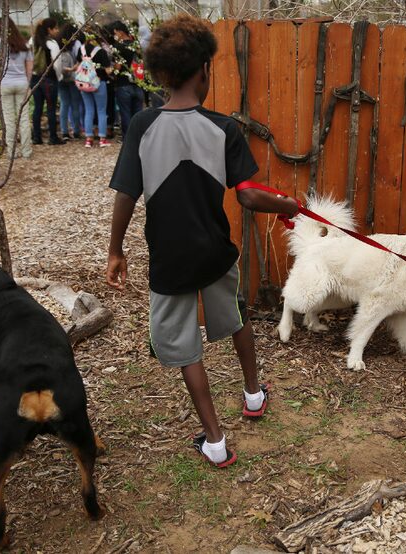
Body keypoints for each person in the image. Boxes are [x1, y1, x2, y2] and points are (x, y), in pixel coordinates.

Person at [105, 14, 299, 468]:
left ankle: (214, 440)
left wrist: (115, 250)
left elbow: (126, 195)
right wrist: (287, 206)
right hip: (215, 252)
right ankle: (253, 395)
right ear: (203, 72)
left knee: (186, 345)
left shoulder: (141, 125)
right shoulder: (224, 128)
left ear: (163, 74)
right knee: (234, 316)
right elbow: (249, 197)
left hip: (169, 260)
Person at [0, 18, 33, 159]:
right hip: (22, 84)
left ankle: (12, 152)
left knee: (9, 120)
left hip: (4, 84)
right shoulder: (24, 44)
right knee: (24, 119)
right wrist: (28, 84)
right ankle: (27, 152)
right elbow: (29, 67)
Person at [31, 17, 64, 145]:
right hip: (49, 79)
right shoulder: (52, 44)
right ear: (49, 29)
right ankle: (53, 137)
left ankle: (37, 137)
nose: (57, 30)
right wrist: (59, 77)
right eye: (55, 28)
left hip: (34, 78)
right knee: (51, 108)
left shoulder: (32, 41)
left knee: (37, 108)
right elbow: (57, 64)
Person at [109, 20, 144, 138]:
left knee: (125, 113)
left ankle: (128, 139)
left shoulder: (118, 47)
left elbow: (118, 67)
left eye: (115, 33)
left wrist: (112, 72)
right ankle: (139, 137)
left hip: (123, 84)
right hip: (138, 82)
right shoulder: (136, 45)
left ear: (119, 32)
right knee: (138, 114)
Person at [79, 30, 112, 148]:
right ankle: (102, 138)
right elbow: (108, 70)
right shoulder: (101, 51)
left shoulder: (81, 50)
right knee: (101, 110)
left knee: (89, 110)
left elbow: (79, 65)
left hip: (84, 83)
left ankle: (89, 139)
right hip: (99, 83)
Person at [57, 23, 84, 140]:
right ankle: (76, 130)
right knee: (75, 105)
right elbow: (80, 59)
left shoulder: (57, 42)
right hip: (73, 77)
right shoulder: (76, 44)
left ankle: (64, 132)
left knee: (64, 104)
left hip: (61, 77)